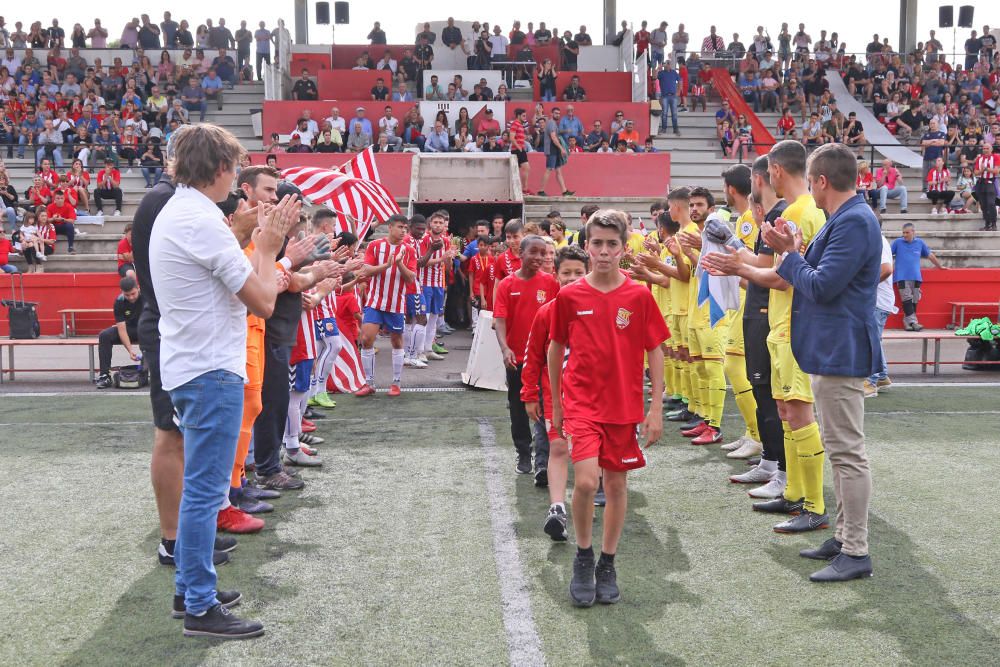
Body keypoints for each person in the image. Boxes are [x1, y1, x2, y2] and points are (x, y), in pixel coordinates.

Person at [149, 123, 298, 638]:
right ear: (219, 168)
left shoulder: (184, 212)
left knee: (201, 490)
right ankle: (199, 604)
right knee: (206, 495)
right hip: (210, 368)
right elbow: (262, 298)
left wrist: (253, 241)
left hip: (195, 364)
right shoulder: (199, 219)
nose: (237, 182)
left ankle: (191, 588)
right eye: (235, 169)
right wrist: (267, 245)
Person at [754, 143, 882, 582]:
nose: (809, 187)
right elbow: (818, 276)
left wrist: (790, 256)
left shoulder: (854, 222)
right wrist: (793, 252)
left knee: (847, 454)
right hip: (833, 348)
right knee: (842, 451)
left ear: (822, 181)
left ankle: (856, 549)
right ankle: (845, 539)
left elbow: (822, 286)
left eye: (812, 180)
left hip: (840, 350)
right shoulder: (847, 219)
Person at [702, 141, 828, 534]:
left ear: (773, 171)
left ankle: (814, 503)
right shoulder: (805, 210)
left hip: (793, 323)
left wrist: (735, 267)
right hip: (782, 323)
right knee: (787, 409)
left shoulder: (798, 212)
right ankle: (793, 489)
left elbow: (783, 274)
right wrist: (739, 264)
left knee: (797, 411)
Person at [549, 209, 668, 607]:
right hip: (582, 402)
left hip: (624, 406)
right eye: (596, 243)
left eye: (611, 244)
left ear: (622, 248)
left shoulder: (638, 295)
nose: (603, 251)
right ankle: (583, 556)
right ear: (586, 246)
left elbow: (655, 349)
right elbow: (556, 348)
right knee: (585, 482)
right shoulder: (569, 295)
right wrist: (558, 401)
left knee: (616, 485)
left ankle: (607, 562)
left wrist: (655, 409)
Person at [522, 244, 589, 541]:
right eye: (567, 273)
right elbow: (532, 356)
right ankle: (557, 508)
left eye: (579, 272)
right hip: (556, 398)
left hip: (593, 398)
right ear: (555, 273)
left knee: (589, 457)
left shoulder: (601, 309)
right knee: (559, 448)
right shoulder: (546, 313)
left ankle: (587, 497)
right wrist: (529, 395)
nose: (572, 278)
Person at [494, 235, 560, 477]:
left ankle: (544, 457)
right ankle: (523, 452)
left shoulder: (551, 283)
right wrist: (505, 348)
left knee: (546, 405)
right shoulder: (506, 285)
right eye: (533, 252)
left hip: (545, 359)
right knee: (518, 407)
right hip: (518, 360)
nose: (539, 258)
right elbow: (499, 320)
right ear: (520, 254)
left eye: (543, 253)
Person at [355, 214, 417, 397]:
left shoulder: (409, 251)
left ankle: (396, 383)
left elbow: (411, 278)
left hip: (396, 304)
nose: (403, 231)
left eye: (405, 228)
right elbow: (366, 270)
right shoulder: (375, 246)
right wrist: (386, 265)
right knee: (366, 338)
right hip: (374, 301)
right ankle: (369, 383)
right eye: (400, 227)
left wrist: (398, 264)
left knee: (397, 341)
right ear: (390, 227)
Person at [891, 223, 946, 331]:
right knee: (906, 299)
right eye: (903, 233)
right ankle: (914, 322)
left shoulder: (920, 243)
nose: (905, 235)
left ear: (913, 232)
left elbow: (930, 255)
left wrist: (939, 266)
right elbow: (888, 254)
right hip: (901, 277)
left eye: (907, 232)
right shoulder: (897, 242)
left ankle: (908, 323)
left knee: (914, 301)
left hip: (916, 277)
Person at [95, 276, 144, 388]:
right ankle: (105, 376)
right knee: (104, 335)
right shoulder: (119, 302)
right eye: (127, 295)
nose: (131, 297)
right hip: (128, 330)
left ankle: (157, 373)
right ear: (121, 292)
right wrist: (130, 350)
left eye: (133, 294)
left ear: (138, 288)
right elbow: (122, 329)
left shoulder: (147, 297)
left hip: (145, 329)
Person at [865, 231, 896, 398]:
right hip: (878, 300)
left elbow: (887, 269)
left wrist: (866, 285)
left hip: (878, 301)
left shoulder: (877, 240)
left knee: (871, 339)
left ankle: (870, 381)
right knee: (874, 338)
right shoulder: (876, 239)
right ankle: (882, 376)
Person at [538, 108, 572, 197]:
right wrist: (562, 148)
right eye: (556, 113)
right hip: (551, 149)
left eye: (559, 113)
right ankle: (541, 191)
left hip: (554, 149)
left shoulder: (553, 124)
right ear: (551, 113)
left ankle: (564, 191)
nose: (558, 115)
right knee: (549, 169)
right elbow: (553, 137)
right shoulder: (551, 123)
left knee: (558, 171)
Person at [973, 143, 998, 231]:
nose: (985, 150)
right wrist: (982, 170)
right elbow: (975, 173)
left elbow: (996, 171)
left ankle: (994, 223)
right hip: (980, 183)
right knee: (983, 205)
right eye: (984, 148)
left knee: (991, 203)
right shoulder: (979, 159)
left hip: (990, 182)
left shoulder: (996, 157)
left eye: (987, 148)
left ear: (991, 149)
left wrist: (986, 169)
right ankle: (987, 224)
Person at [657, 61, 681, 136]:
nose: (666, 65)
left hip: (673, 96)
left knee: (674, 113)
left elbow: (680, 81)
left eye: (667, 64)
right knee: (664, 113)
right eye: (665, 64)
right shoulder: (661, 73)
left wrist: (678, 91)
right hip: (665, 96)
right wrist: (658, 69)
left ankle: (675, 129)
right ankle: (664, 129)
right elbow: (654, 77)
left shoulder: (674, 72)